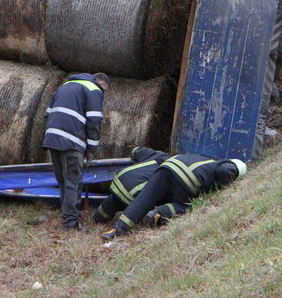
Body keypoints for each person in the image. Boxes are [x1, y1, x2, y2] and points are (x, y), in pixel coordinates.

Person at [101, 153, 247, 240]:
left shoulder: (208, 160)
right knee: (187, 205)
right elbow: (225, 172)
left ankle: (117, 229)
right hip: (187, 179)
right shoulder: (231, 166)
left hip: (168, 166)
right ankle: (158, 214)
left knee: (144, 199)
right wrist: (225, 188)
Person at [43, 72, 109, 230]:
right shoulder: (94, 89)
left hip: (53, 138)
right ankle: (71, 223)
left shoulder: (64, 86)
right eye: (105, 91)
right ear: (101, 83)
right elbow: (94, 121)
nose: (103, 94)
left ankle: (67, 215)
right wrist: (92, 149)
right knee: (73, 181)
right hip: (71, 141)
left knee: (63, 181)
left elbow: (47, 114)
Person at [92, 146, 170, 224]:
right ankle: (122, 221)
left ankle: (97, 219)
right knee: (141, 204)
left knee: (115, 200)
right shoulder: (170, 172)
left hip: (119, 178)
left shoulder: (159, 155)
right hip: (134, 191)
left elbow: (136, 150)